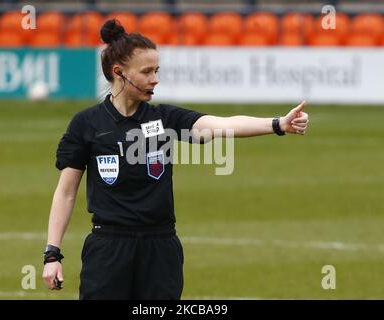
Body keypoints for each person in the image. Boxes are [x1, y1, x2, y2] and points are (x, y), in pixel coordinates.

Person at [42, 19, 309, 300]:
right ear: (118, 72)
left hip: (161, 247)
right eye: (146, 72)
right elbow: (66, 192)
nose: (155, 79)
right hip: (108, 248)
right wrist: (52, 252)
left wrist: (278, 124)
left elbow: (221, 124)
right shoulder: (86, 124)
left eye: (156, 70)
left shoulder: (165, 118)